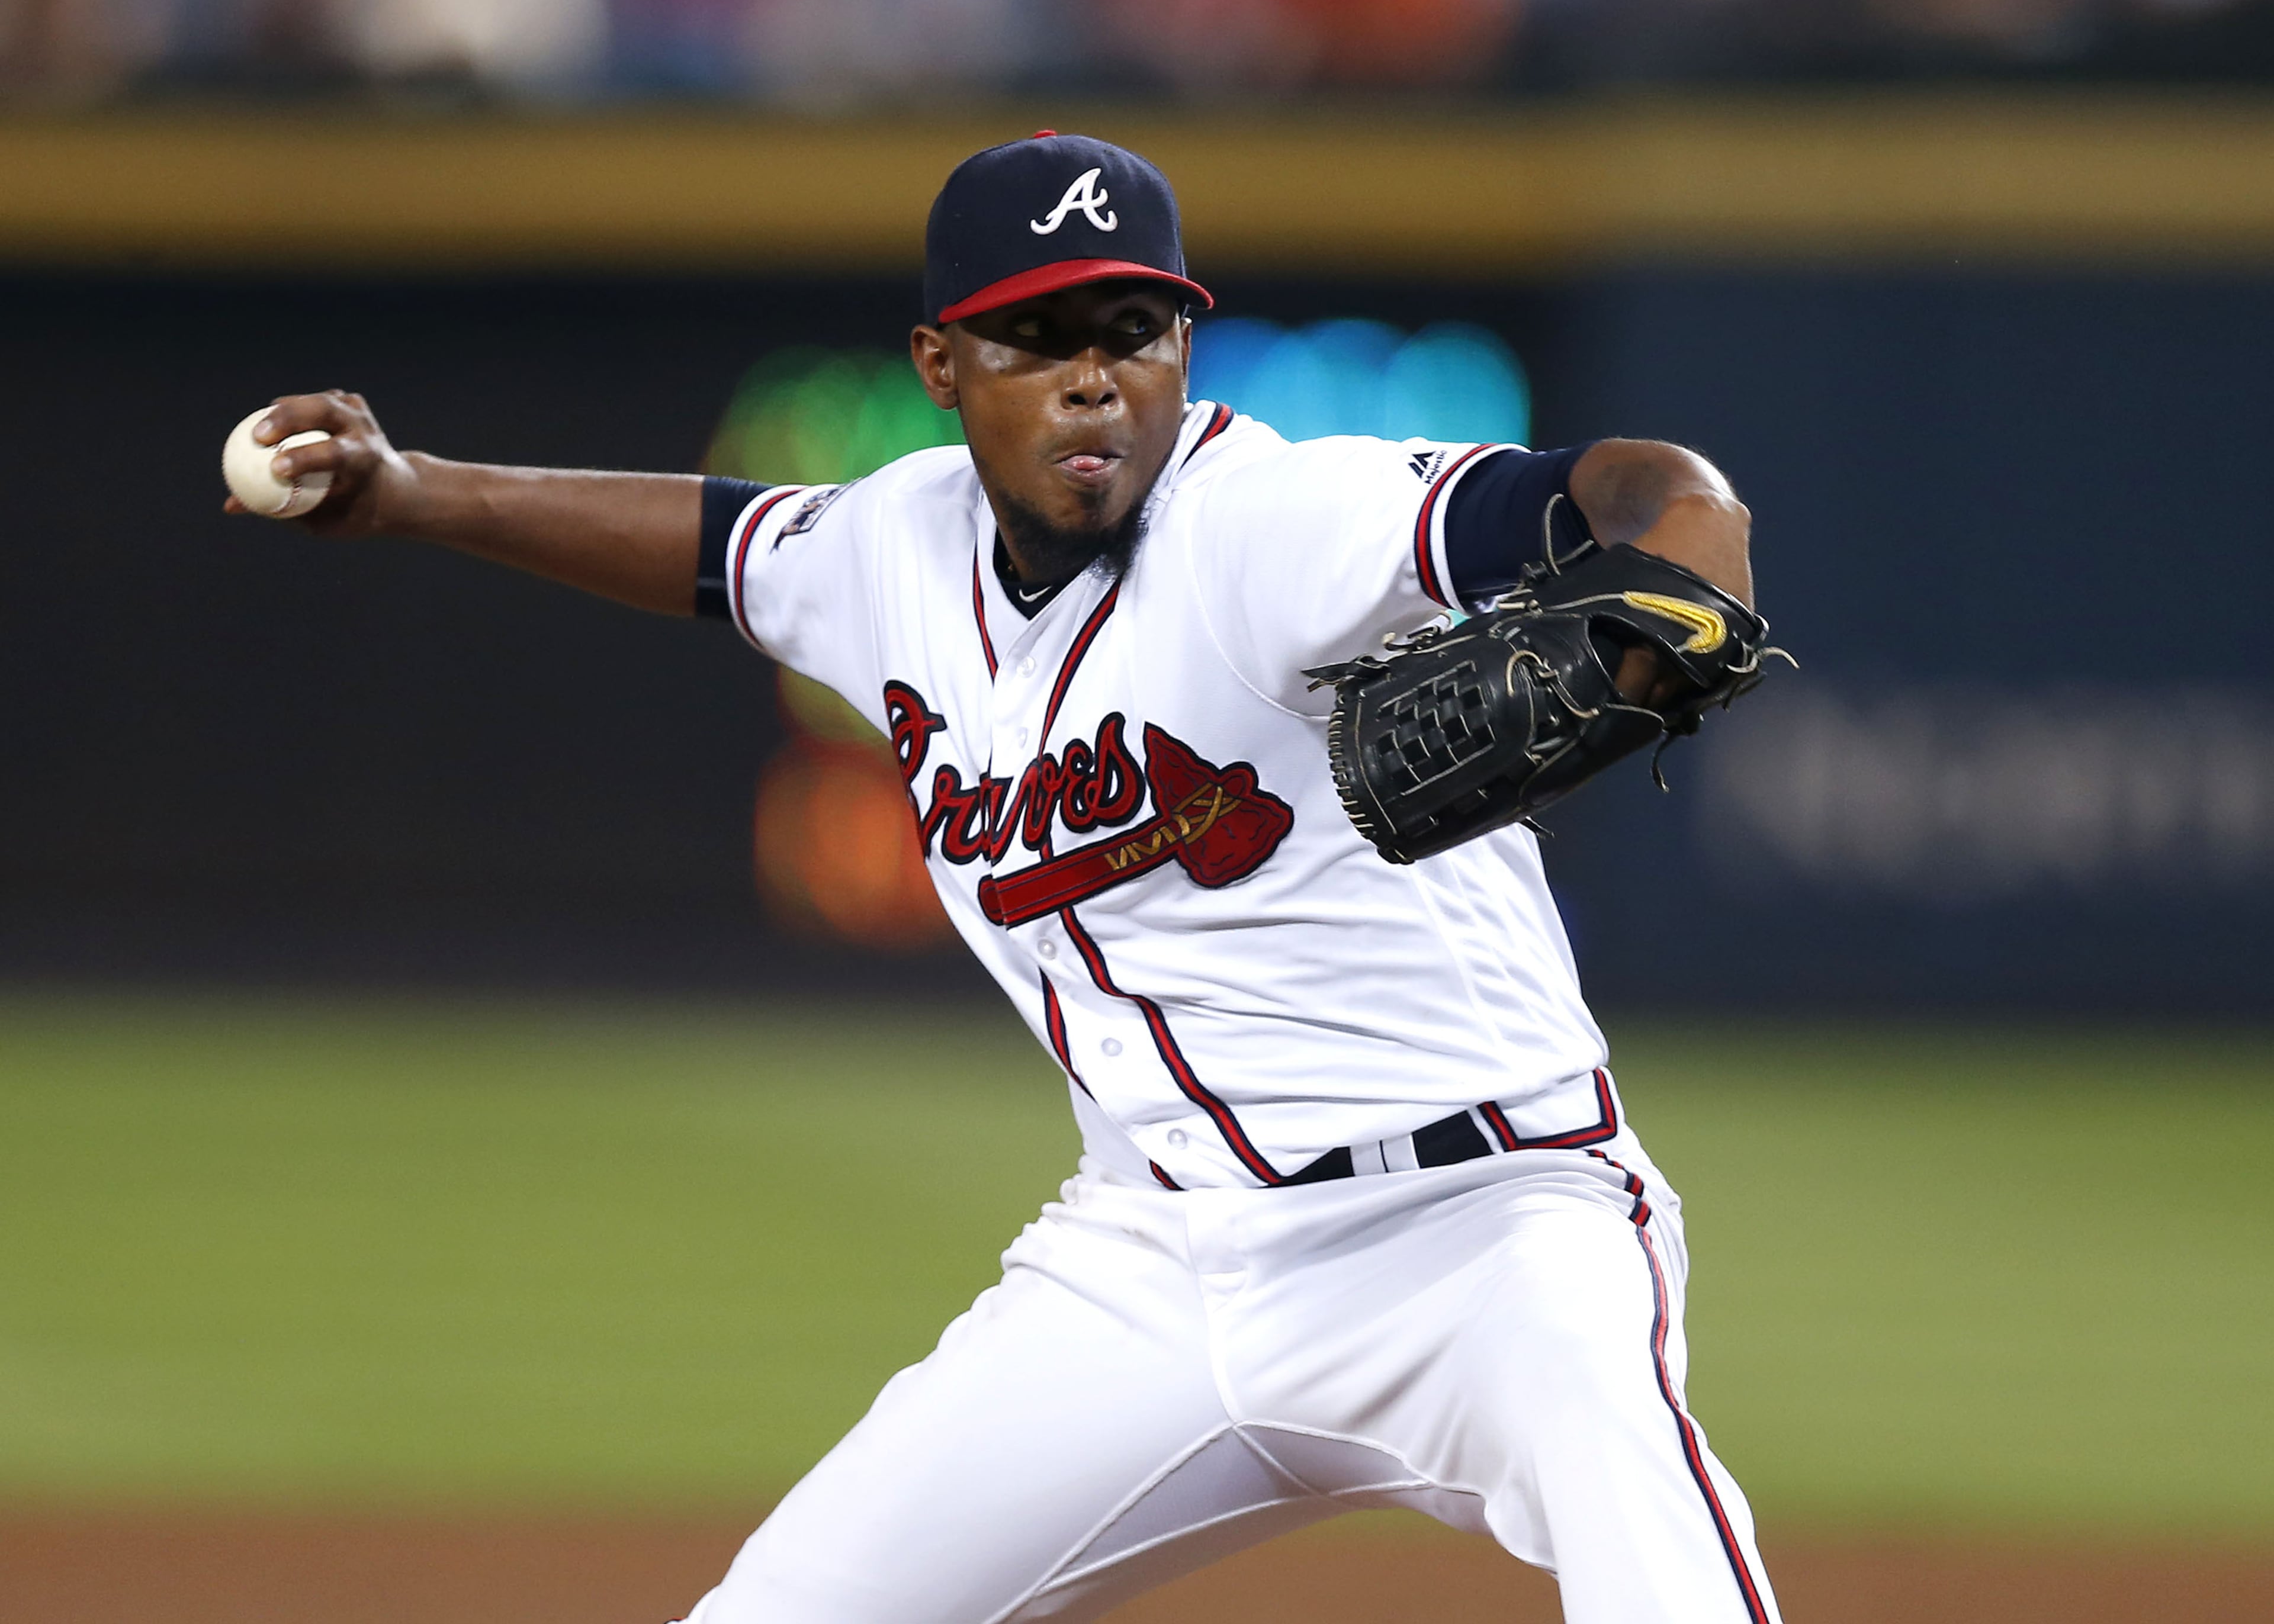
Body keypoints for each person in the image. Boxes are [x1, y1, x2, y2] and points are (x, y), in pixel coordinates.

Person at [231, 132, 1780, 1623]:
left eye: (1134, 327)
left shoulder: (1279, 519)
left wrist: (1697, 530)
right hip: (1157, 1254)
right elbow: (717, 547)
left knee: (1661, 1560)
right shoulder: (892, 545)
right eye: (1036, 337)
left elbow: (1627, 485)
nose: (1094, 372)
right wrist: (414, 487)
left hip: (1489, 1227)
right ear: (940, 366)